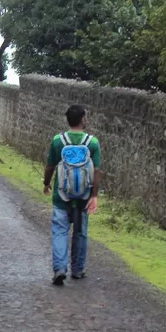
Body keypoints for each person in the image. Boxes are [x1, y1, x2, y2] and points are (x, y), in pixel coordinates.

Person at [42, 105, 101, 286]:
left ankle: (60, 268)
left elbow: (50, 165)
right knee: (80, 232)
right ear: (83, 119)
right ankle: (77, 269)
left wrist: (46, 183)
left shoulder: (58, 140)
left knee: (60, 231)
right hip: (83, 196)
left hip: (62, 196)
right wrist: (94, 195)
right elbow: (96, 171)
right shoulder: (92, 143)